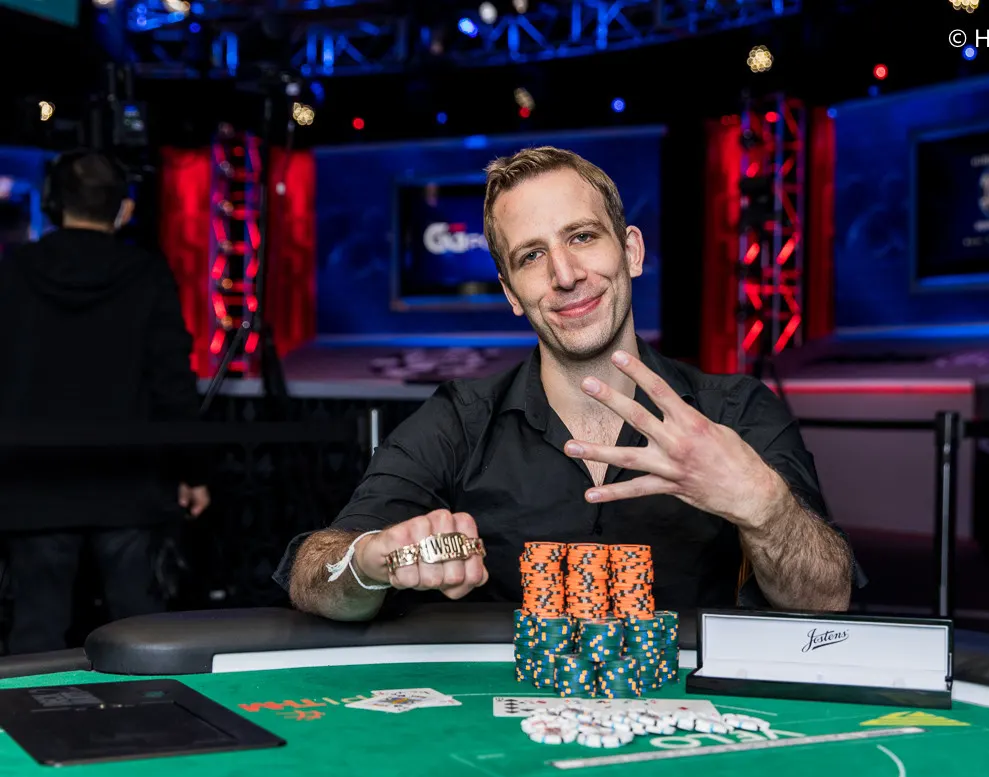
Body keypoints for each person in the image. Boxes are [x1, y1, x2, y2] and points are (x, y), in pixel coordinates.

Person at [276, 146, 862, 622]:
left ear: (631, 251)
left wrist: (764, 507)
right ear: (510, 292)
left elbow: (827, 601)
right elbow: (312, 576)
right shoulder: (460, 420)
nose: (564, 274)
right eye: (532, 255)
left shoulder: (735, 411)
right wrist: (370, 560)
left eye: (582, 236)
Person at [0, 150, 210, 654]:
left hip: (34, 480)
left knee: (35, 638)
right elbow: (172, 382)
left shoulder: (13, 272)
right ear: (124, 208)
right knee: (143, 638)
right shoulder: (147, 274)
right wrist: (193, 469)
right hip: (129, 480)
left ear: (50, 204)